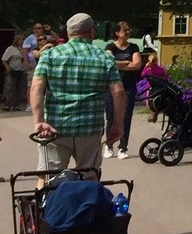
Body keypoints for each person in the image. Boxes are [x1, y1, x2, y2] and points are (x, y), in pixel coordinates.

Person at [31, 13, 124, 173]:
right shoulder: (105, 57)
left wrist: (39, 121)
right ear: (91, 32)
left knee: (48, 176)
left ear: (69, 33)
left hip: (55, 126)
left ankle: (47, 190)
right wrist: (117, 124)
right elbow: (119, 92)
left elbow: (36, 87)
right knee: (88, 176)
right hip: (90, 127)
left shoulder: (50, 55)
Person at [104, 22, 143, 159]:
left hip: (129, 87)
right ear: (117, 33)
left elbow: (137, 65)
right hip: (112, 87)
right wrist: (127, 62)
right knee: (111, 116)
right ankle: (109, 145)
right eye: (124, 30)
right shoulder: (110, 47)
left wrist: (118, 64)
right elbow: (109, 63)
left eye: (128, 30)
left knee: (126, 117)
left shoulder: (134, 47)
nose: (127, 32)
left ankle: (123, 147)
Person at [1, 35, 27, 112]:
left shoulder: (24, 49)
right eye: (20, 40)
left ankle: (17, 105)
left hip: (22, 71)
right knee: (10, 88)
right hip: (13, 70)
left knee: (20, 88)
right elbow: (3, 59)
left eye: (23, 40)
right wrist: (7, 67)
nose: (22, 41)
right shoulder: (11, 49)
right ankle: (8, 104)